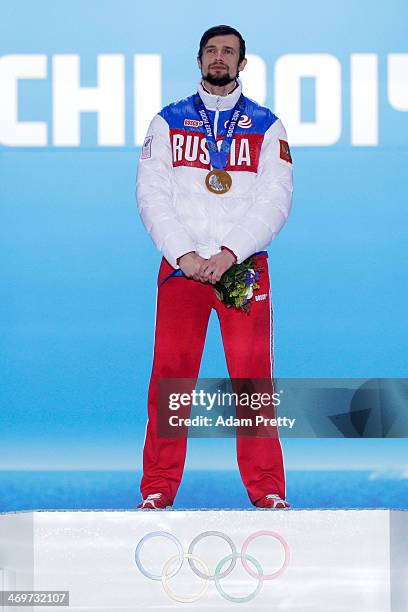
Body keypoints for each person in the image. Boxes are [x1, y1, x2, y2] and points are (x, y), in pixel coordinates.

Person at [136, 25, 293, 510]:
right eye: (211, 50)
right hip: (182, 268)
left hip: (241, 270)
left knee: (252, 381)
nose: (219, 58)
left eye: (228, 51)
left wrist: (229, 253)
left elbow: (276, 199)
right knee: (171, 380)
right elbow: (151, 194)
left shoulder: (268, 126)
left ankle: (267, 489)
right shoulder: (167, 122)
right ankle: (157, 489)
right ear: (199, 59)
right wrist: (185, 254)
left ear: (242, 63)